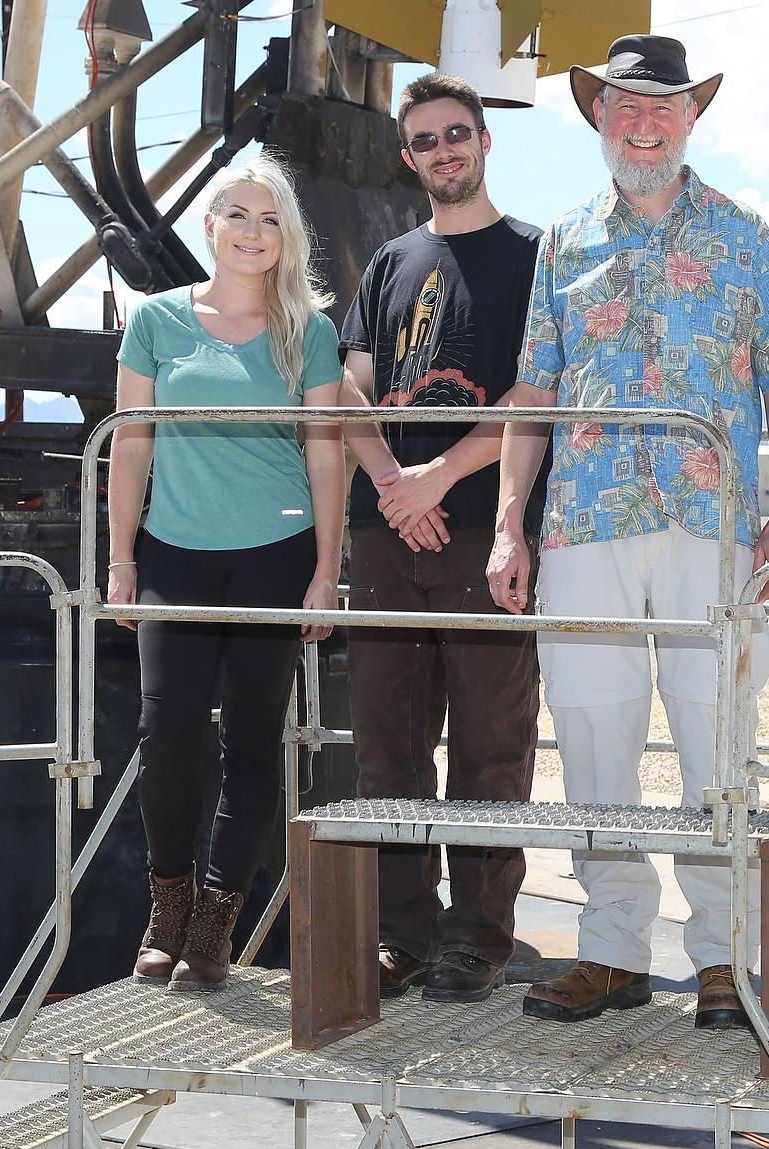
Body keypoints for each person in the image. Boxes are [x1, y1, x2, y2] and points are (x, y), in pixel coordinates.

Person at [482, 35, 769, 1030]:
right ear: (598, 117)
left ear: (691, 118)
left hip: (709, 526)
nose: (642, 122)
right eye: (623, 105)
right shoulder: (565, 242)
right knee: (593, 733)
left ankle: (722, 959)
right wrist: (509, 524)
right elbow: (534, 388)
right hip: (585, 522)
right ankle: (614, 951)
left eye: (661, 106)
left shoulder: (746, 236)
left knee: (718, 738)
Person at [107, 152, 345, 992]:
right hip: (173, 549)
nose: (253, 231)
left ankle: (214, 926)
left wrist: (325, 570)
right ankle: (165, 906)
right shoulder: (158, 322)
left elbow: (326, 457)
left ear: (288, 237)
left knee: (251, 740)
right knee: (164, 731)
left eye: (270, 218)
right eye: (238, 215)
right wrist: (122, 560)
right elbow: (130, 443)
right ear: (209, 226)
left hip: (277, 556)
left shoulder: (310, 331)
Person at [335, 73, 547, 1003]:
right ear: (408, 155)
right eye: (425, 140)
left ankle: (479, 939)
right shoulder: (388, 265)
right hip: (384, 532)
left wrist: (437, 478)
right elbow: (349, 390)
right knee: (386, 744)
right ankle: (403, 934)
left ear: (486, 141)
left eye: (458, 133)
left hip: (481, 536)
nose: (444, 150)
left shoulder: (535, 258)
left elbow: (531, 400)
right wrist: (391, 481)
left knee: (492, 749)